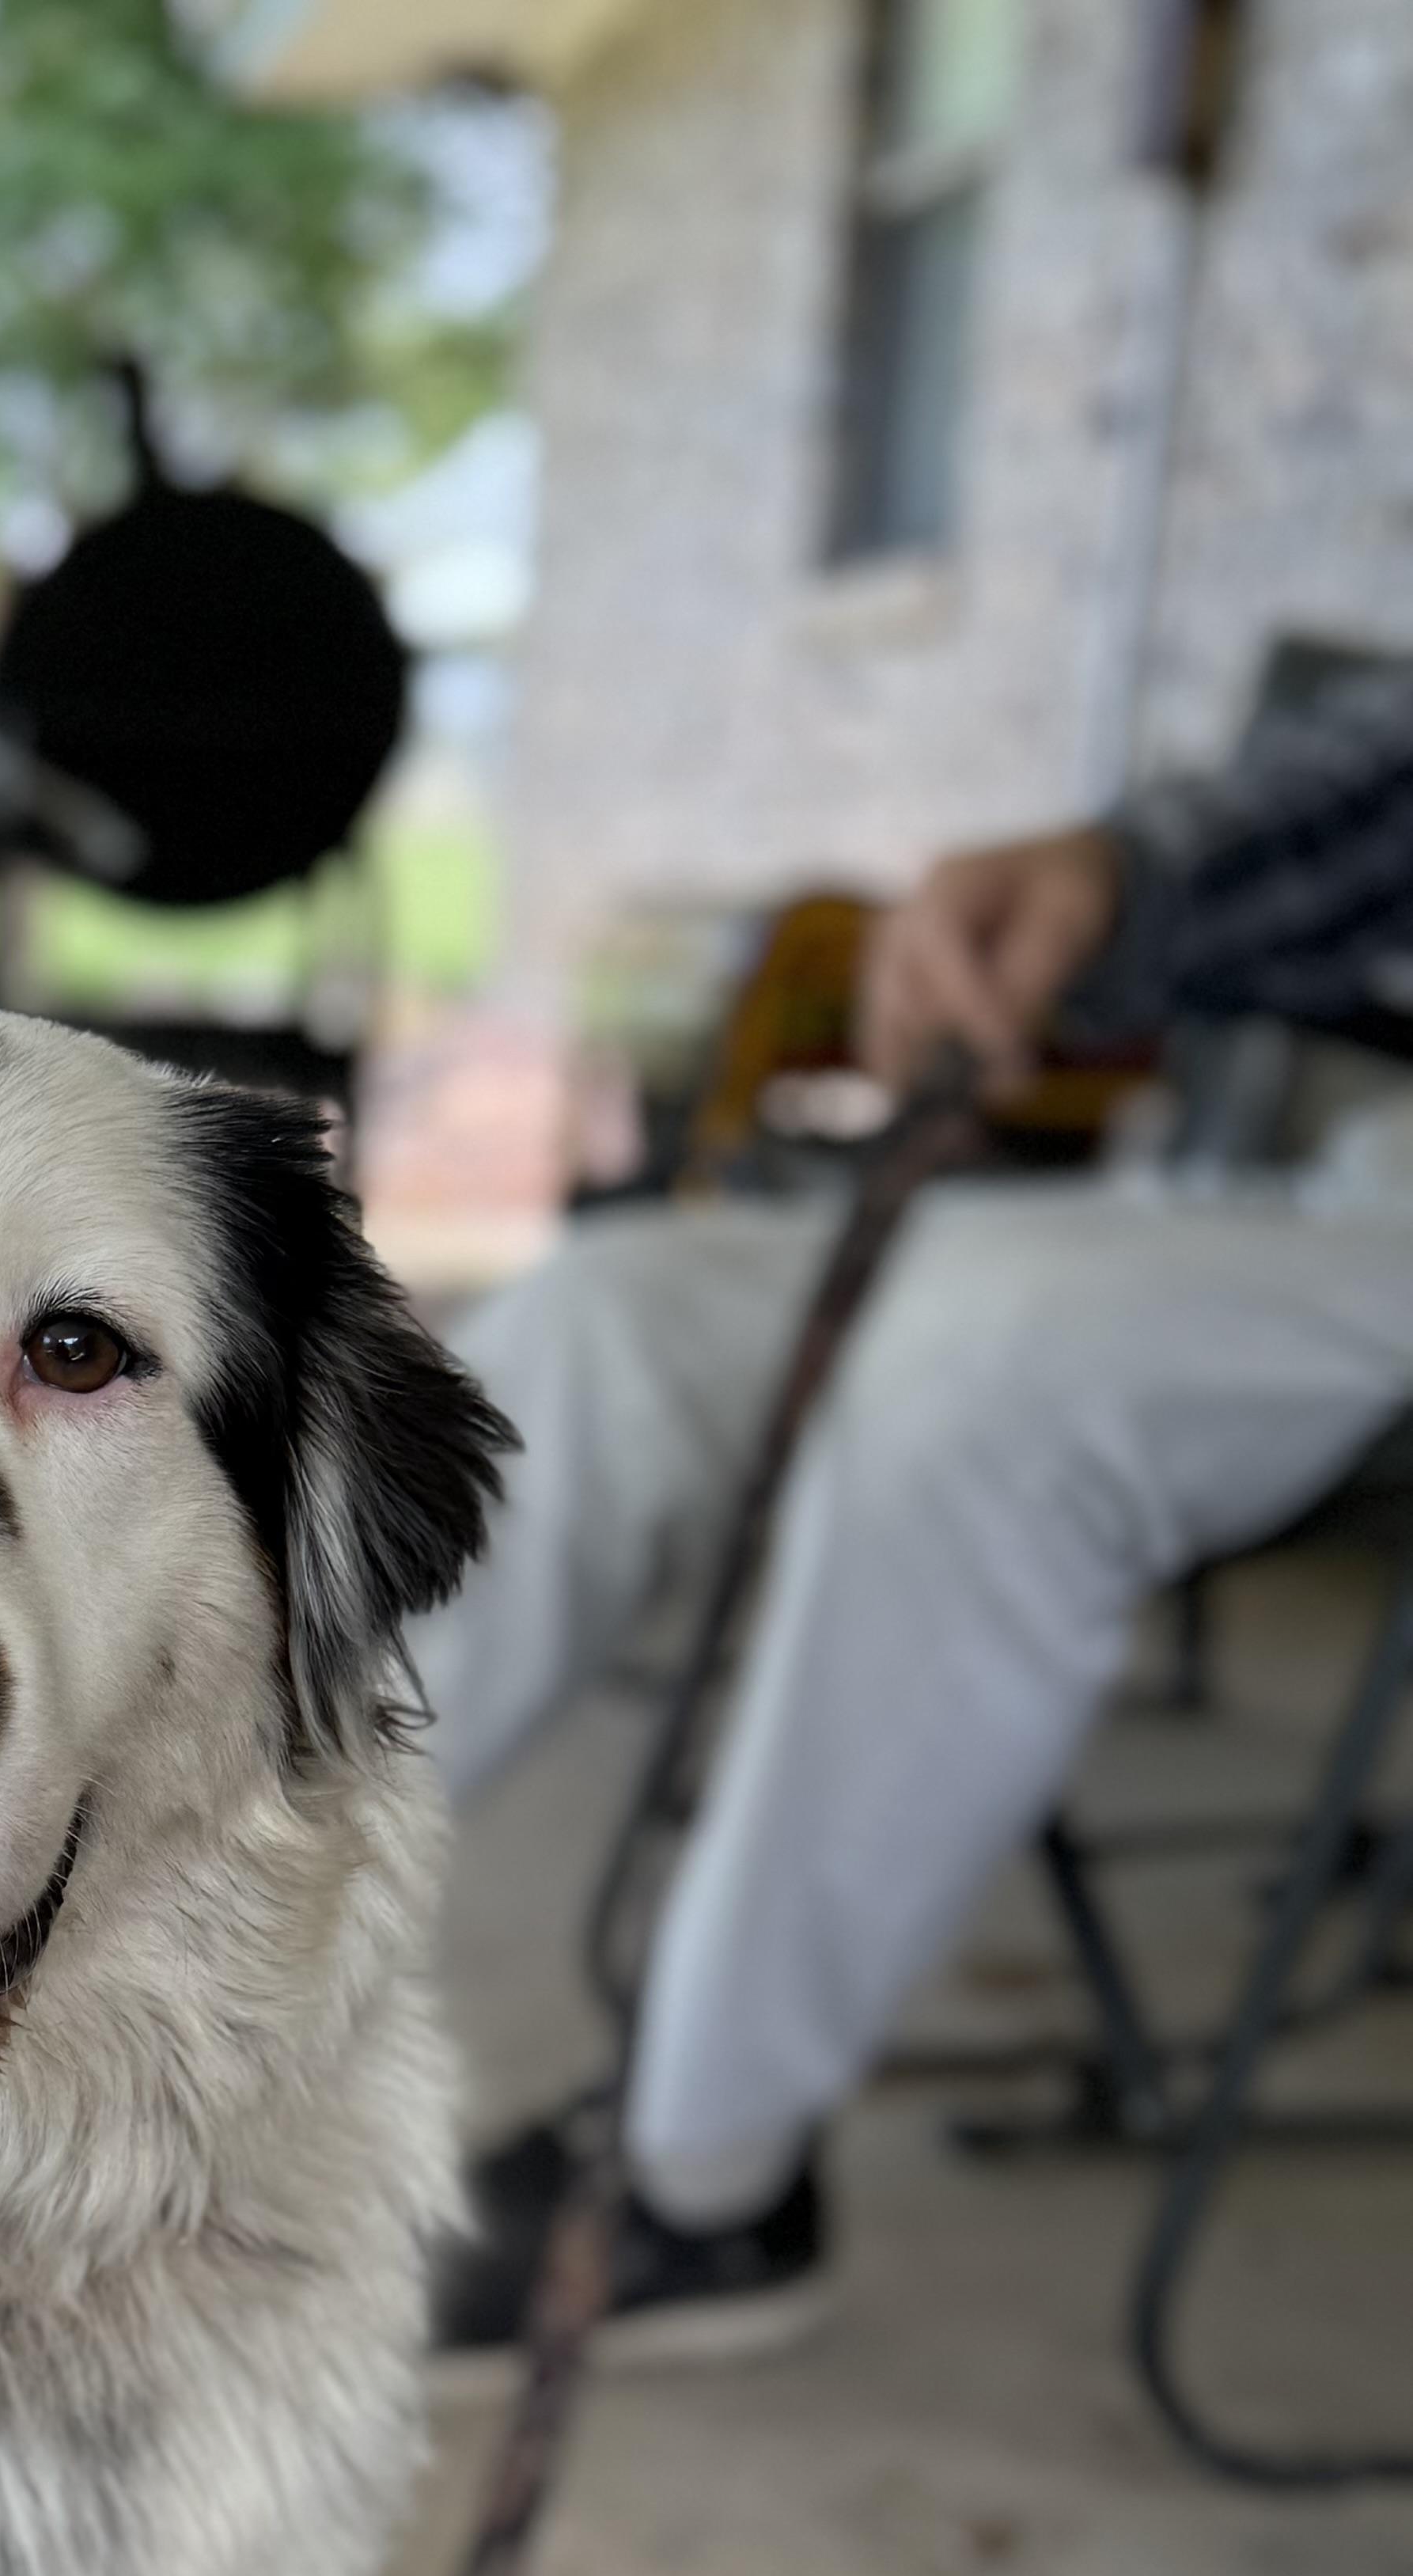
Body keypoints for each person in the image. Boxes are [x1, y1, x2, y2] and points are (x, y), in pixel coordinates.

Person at [423, 660, 1413, 2360]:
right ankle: (141, 1987)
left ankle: (700, 2185)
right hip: (1351, 1183)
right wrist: (1114, 874)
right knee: (610, 1313)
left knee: (979, 1392)